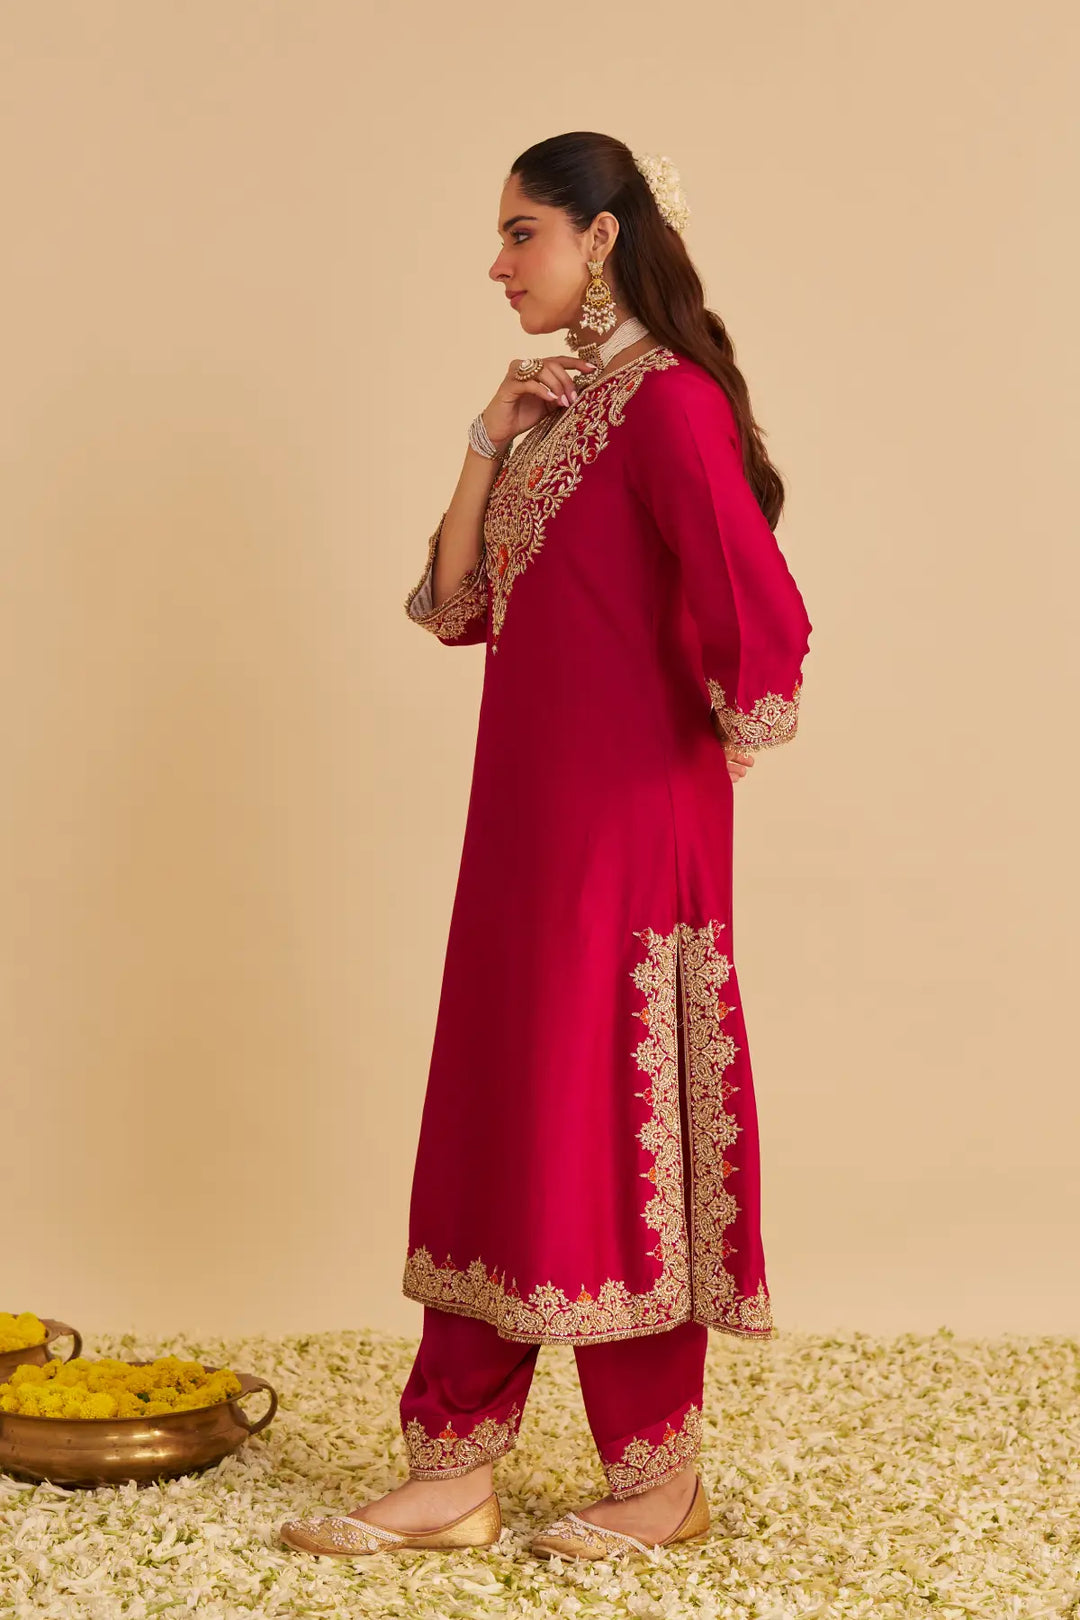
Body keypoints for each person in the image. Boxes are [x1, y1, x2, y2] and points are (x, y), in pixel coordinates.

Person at [280, 130, 813, 1563]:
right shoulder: (565, 411)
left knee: (613, 1124)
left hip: (628, 834)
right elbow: (460, 607)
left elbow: (752, 596)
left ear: (601, 236)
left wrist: (737, 725)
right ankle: (453, 1468)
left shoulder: (672, 405)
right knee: (505, 1112)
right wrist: (485, 439)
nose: (500, 263)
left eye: (524, 233)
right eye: (504, 235)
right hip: (522, 830)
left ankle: (656, 1476)